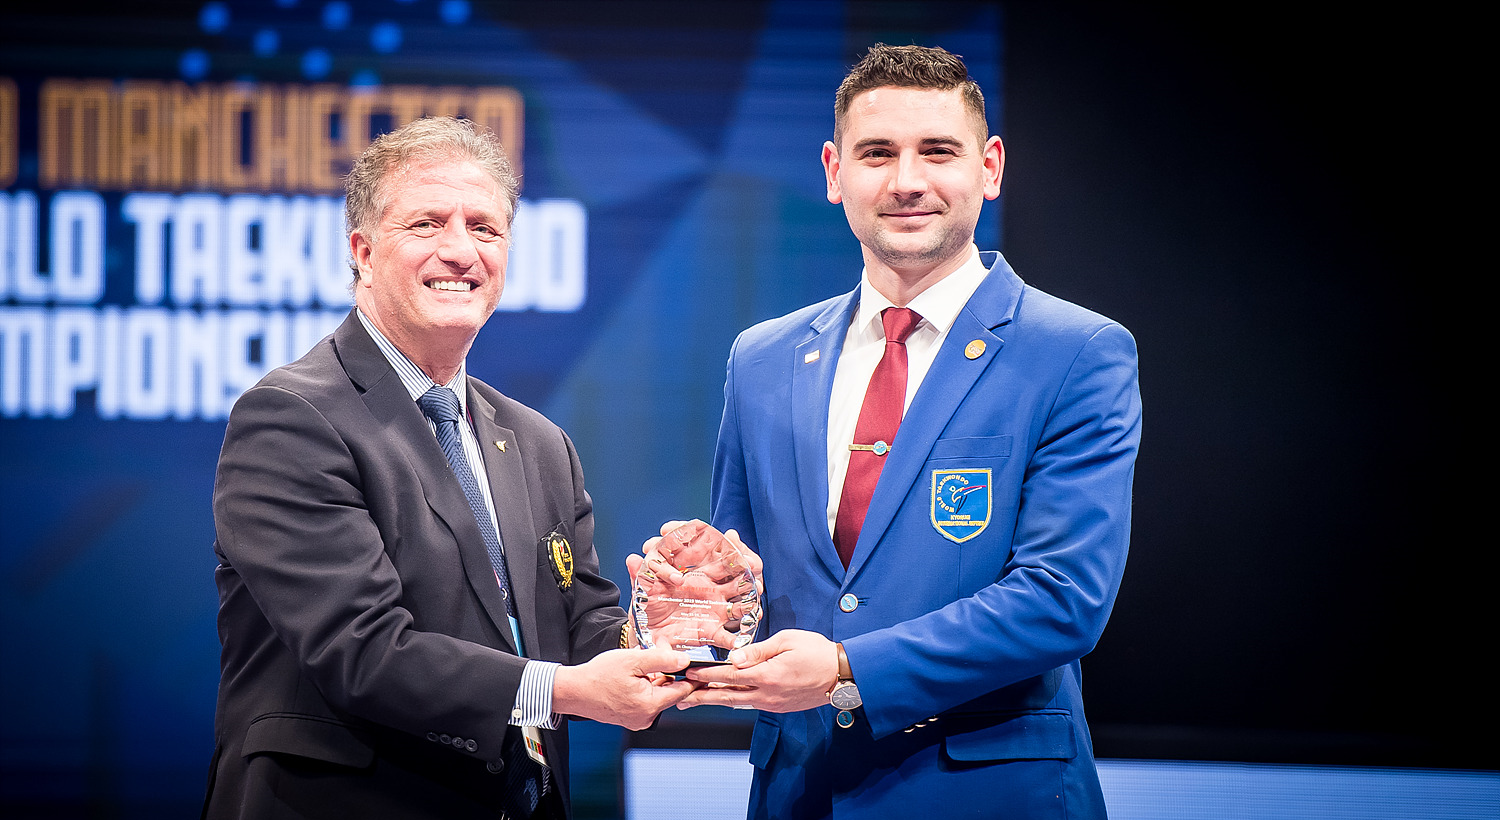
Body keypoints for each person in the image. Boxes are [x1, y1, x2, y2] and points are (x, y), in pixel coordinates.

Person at [682, 44, 1143, 819]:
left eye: (937, 151)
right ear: (834, 172)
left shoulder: (1077, 352)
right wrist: (695, 605)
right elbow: (743, 583)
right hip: (800, 791)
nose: (905, 181)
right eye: (876, 153)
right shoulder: (761, 359)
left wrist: (845, 669)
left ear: (989, 168)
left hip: (990, 795)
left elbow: (1062, 599)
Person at [204, 116, 694, 819]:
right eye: (427, 224)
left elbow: (581, 632)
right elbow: (363, 650)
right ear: (363, 252)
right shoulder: (291, 418)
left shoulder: (540, 443)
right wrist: (563, 691)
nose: (461, 251)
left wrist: (659, 630)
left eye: (485, 228)